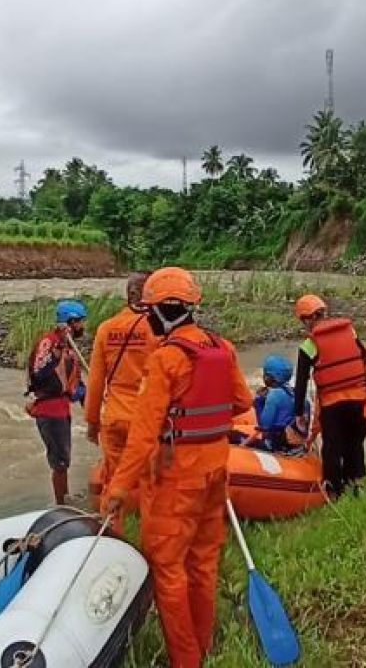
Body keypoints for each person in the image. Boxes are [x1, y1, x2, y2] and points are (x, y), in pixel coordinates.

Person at [104, 267, 254, 668]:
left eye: (149, 310)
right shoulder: (223, 348)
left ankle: (186, 660)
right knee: (203, 562)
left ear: (159, 312)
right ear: (190, 307)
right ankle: (201, 645)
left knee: (168, 567)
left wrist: (118, 488)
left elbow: (143, 434)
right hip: (215, 473)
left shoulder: (166, 359)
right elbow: (242, 403)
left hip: (175, 481)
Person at [84, 273, 157, 532]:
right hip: (147, 419)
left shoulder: (106, 328)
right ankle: (153, 546)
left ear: (128, 295)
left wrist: (92, 423)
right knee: (151, 486)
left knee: (113, 483)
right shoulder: (158, 329)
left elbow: (95, 383)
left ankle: (111, 538)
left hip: (114, 417)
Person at [293, 294, 366, 497]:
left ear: (306, 319)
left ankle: (335, 490)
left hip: (332, 404)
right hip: (359, 400)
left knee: (332, 448)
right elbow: (365, 361)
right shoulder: (350, 332)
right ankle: (356, 483)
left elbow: (301, 384)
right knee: (355, 443)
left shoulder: (308, 346)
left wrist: (298, 412)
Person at [25, 300, 87, 506]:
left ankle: (65, 498)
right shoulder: (49, 343)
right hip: (49, 409)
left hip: (61, 408)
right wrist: (56, 351)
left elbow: (75, 383)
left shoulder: (68, 348)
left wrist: (89, 407)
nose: (83, 327)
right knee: (60, 462)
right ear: (69, 322)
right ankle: (62, 503)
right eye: (79, 323)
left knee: (64, 459)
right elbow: (39, 372)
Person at [253, 354, 305, 452]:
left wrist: (258, 402)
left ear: (269, 377)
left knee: (234, 436)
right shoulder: (295, 393)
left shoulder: (274, 395)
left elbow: (264, 426)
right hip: (295, 445)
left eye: (265, 374)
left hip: (277, 446)